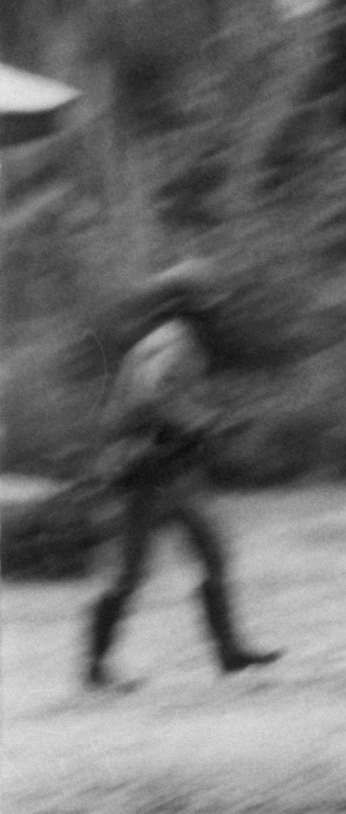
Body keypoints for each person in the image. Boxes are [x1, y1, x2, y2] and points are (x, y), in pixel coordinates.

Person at [82, 260, 282, 691]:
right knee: (131, 574)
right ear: (190, 306)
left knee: (212, 552)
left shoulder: (172, 339)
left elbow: (165, 396)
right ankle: (96, 668)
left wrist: (203, 422)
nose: (217, 310)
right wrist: (203, 423)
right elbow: (157, 395)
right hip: (146, 469)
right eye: (208, 302)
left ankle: (229, 652)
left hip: (168, 467)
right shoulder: (177, 341)